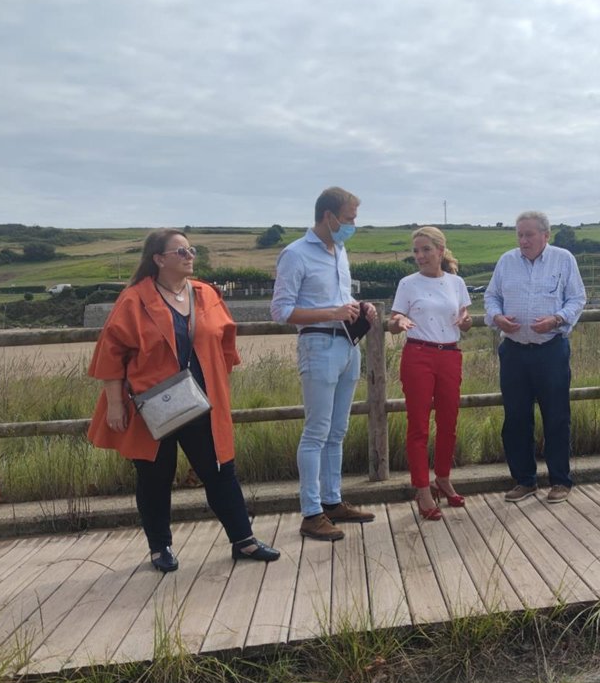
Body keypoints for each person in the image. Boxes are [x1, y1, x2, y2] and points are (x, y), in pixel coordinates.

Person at [88, 229, 280, 572]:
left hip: (202, 403)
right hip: (152, 406)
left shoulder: (206, 294)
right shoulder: (133, 300)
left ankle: (244, 540)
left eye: (190, 250)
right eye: (181, 251)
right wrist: (115, 404)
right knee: (154, 477)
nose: (189, 256)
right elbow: (111, 353)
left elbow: (226, 341)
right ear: (158, 259)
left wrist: (217, 382)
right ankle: (159, 547)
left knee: (220, 470)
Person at [271, 187, 379, 542]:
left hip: (347, 344)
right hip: (318, 344)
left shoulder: (340, 250)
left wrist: (360, 306)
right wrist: (332, 313)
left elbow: (340, 298)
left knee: (337, 430)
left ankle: (332, 501)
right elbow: (281, 311)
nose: (353, 225)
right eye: (349, 218)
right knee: (316, 431)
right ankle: (311, 512)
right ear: (328, 216)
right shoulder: (295, 254)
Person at [484, 211, 587, 503]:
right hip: (514, 352)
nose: (523, 240)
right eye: (520, 234)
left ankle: (560, 481)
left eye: (529, 234)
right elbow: (491, 297)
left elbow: (577, 298)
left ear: (545, 235)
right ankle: (524, 481)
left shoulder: (563, 259)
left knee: (556, 417)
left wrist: (557, 319)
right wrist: (497, 317)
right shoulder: (506, 261)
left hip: (550, 350)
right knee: (516, 418)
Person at [388, 227, 472, 520]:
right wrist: (398, 322)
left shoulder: (456, 282)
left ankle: (443, 478)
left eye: (425, 249)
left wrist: (465, 321)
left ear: (440, 250)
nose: (420, 256)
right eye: (416, 251)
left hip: (449, 354)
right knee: (419, 426)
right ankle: (423, 489)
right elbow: (394, 320)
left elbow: (465, 320)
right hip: (419, 355)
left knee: (449, 422)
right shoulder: (408, 283)